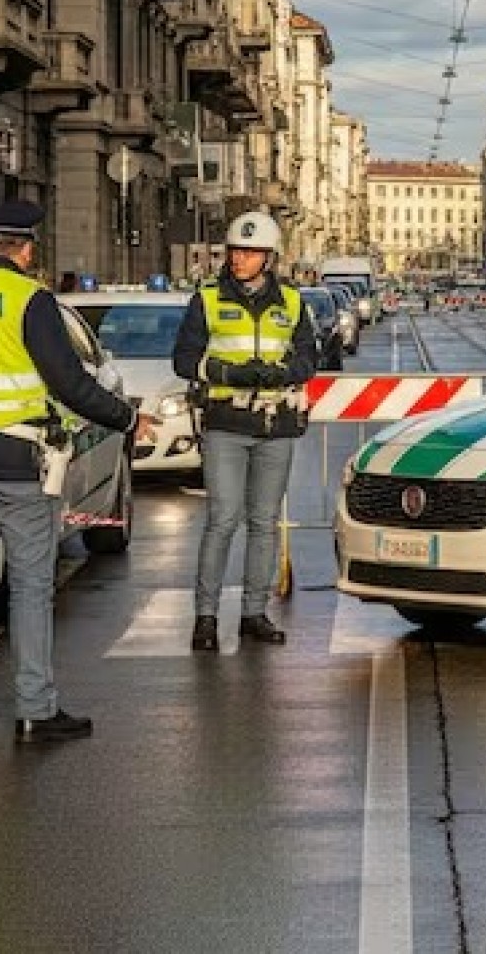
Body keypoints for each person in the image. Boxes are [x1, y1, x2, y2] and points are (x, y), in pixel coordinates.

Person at [0, 201, 153, 743]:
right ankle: (35, 711)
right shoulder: (30, 300)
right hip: (20, 462)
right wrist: (128, 418)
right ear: (24, 251)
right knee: (30, 585)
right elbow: (68, 381)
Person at [172, 212, 319, 651]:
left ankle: (254, 613)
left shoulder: (292, 302)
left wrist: (276, 375)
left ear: (268, 258)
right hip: (225, 423)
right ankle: (205, 616)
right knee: (223, 519)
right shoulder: (208, 299)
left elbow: (308, 359)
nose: (240, 259)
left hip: (275, 425)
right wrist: (227, 371)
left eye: (250, 252)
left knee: (264, 523)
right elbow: (183, 359)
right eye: (236, 250)